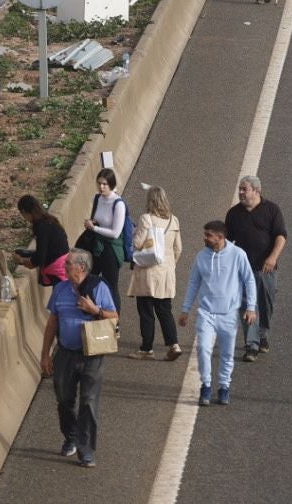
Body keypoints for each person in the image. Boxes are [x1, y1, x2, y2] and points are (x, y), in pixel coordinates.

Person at [41, 248, 118, 467]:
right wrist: (45, 354)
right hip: (65, 353)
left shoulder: (99, 288)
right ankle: (71, 436)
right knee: (64, 400)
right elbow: (52, 323)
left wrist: (95, 310)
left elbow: (114, 317)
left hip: (92, 355)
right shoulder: (61, 290)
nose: (64, 268)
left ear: (81, 267)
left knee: (89, 401)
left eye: (67, 265)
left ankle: (86, 450)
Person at [179, 220, 257, 407]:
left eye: (208, 235)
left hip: (228, 314)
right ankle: (206, 385)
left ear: (220, 237)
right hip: (206, 313)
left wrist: (251, 307)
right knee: (203, 349)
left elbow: (249, 280)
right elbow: (193, 283)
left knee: (226, 354)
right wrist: (185, 309)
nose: (204, 238)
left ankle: (224, 387)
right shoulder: (201, 257)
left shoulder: (238, 255)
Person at [225, 175, 287, 362]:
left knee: (265, 305)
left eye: (245, 189)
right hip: (243, 270)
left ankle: (262, 335)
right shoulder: (233, 214)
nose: (241, 193)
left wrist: (273, 257)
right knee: (246, 305)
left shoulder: (272, 210)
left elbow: (281, 236)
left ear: (256, 191)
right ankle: (251, 345)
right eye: (240, 189)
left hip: (265, 269)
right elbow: (227, 242)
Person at [127, 184, 183, 361]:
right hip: (166, 272)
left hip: (147, 272)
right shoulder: (173, 220)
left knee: (146, 312)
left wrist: (133, 233)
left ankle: (146, 348)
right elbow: (178, 248)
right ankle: (173, 344)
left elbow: (137, 243)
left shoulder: (146, 219)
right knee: (165, 310)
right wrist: (170, 263)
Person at [79, 168, 128, 312]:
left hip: (110, 249)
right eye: (99, 183)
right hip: (96, 246)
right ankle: (90, 312)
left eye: (105, 184)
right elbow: (97, 219)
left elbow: (115, 233)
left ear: (111, 185)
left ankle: (114, 320)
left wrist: (94, 229)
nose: (101, 187)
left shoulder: (118, 204)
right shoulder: (97, 198)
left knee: (111, 285)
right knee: (88, 280)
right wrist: (91, 223)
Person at [15, 194, 70, 288]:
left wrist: (21, 261)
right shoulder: (49, 220)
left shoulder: (41, 227)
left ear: (24, 212)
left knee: (59, 300)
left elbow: (40, 258)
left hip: (58, 272)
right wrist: (28, 254)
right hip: (64, 265)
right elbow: (47, 249)